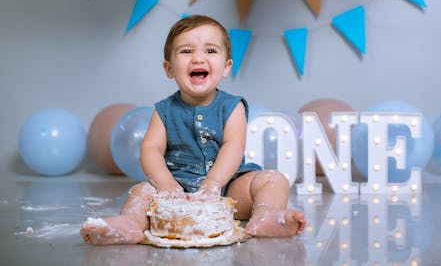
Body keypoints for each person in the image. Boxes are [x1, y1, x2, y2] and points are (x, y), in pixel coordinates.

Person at [80, 15, 306, 244]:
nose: (198, 57)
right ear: (169, 68)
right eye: (186, 51)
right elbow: (150, 149)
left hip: (229, 190)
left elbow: (233, 145)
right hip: (177, 191)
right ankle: (130, 223)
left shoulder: (232, 106)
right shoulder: (164, 110)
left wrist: (213, 184)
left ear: (226, 66)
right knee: (141, 191)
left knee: (274, 179)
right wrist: (166, 185)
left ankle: (265, 214)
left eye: (210, 51)